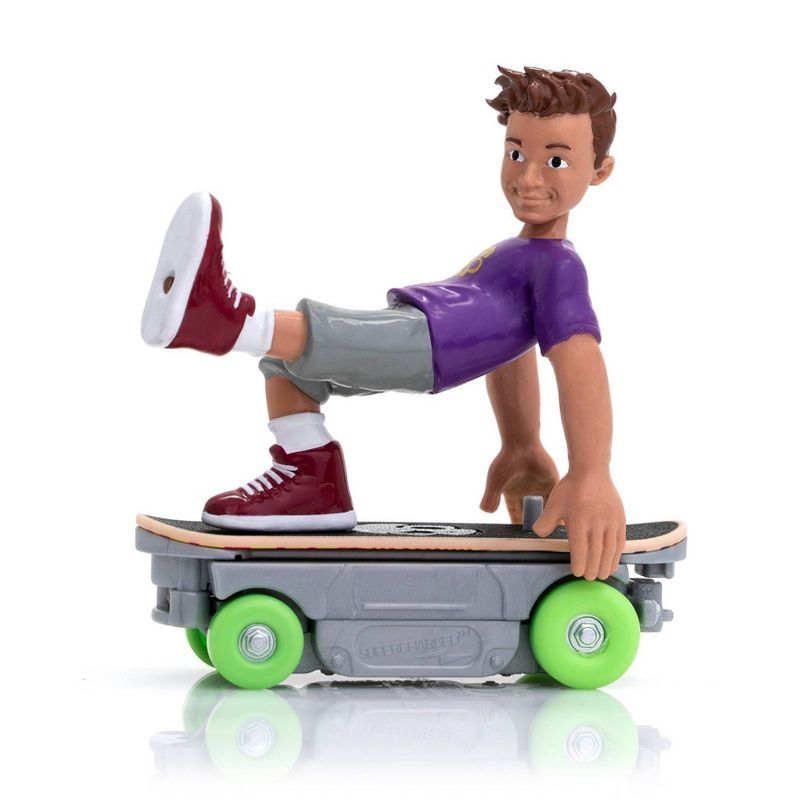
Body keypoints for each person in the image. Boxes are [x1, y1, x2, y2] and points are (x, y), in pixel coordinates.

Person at [141, 66, 626, 580]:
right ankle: (312, 481)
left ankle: (223, 320)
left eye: (556, 161)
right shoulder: (521, 252)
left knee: (326, 335)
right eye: (516, 154)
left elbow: (579, 358)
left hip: (430, 341)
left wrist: (592, 473)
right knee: (288, 368)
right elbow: (514, 347)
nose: (528, 178)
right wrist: (521, 443)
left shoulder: (560, 266)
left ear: (599, 171)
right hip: (422, 325)